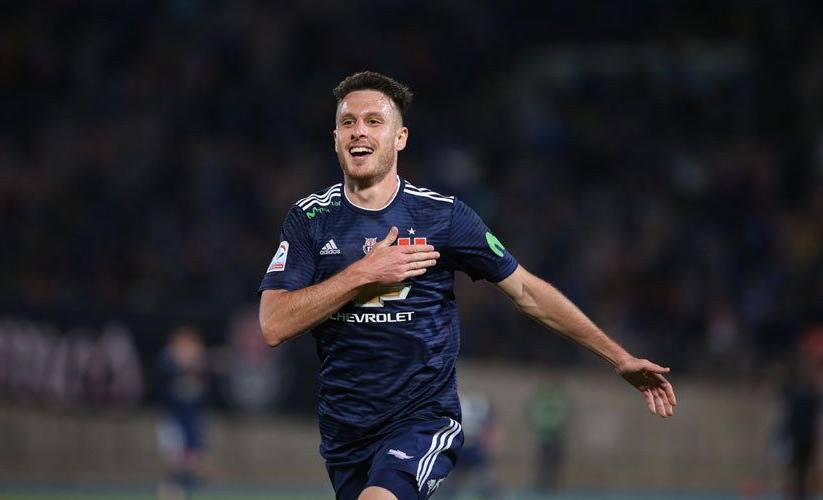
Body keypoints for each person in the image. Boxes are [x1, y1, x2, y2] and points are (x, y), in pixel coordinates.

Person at [257, 71, 677, 500]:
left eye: (373, 121)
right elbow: (273, 324)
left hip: (421, 420)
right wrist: (363, 273)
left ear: (400, 138)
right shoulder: (310, 220)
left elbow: (528, 292)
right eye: (348, 122)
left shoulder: (443, 217)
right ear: (335, 139)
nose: (359, 131)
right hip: (345, 433)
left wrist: (618, 356)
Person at [156, 326, 210, 500]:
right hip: (174, 423)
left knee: (198, 463)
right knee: (181, 461)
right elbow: (163, 391)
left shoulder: (201, 368)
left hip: (193, 422)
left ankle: (179, 489)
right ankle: (171, 489)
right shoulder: (168, 365)